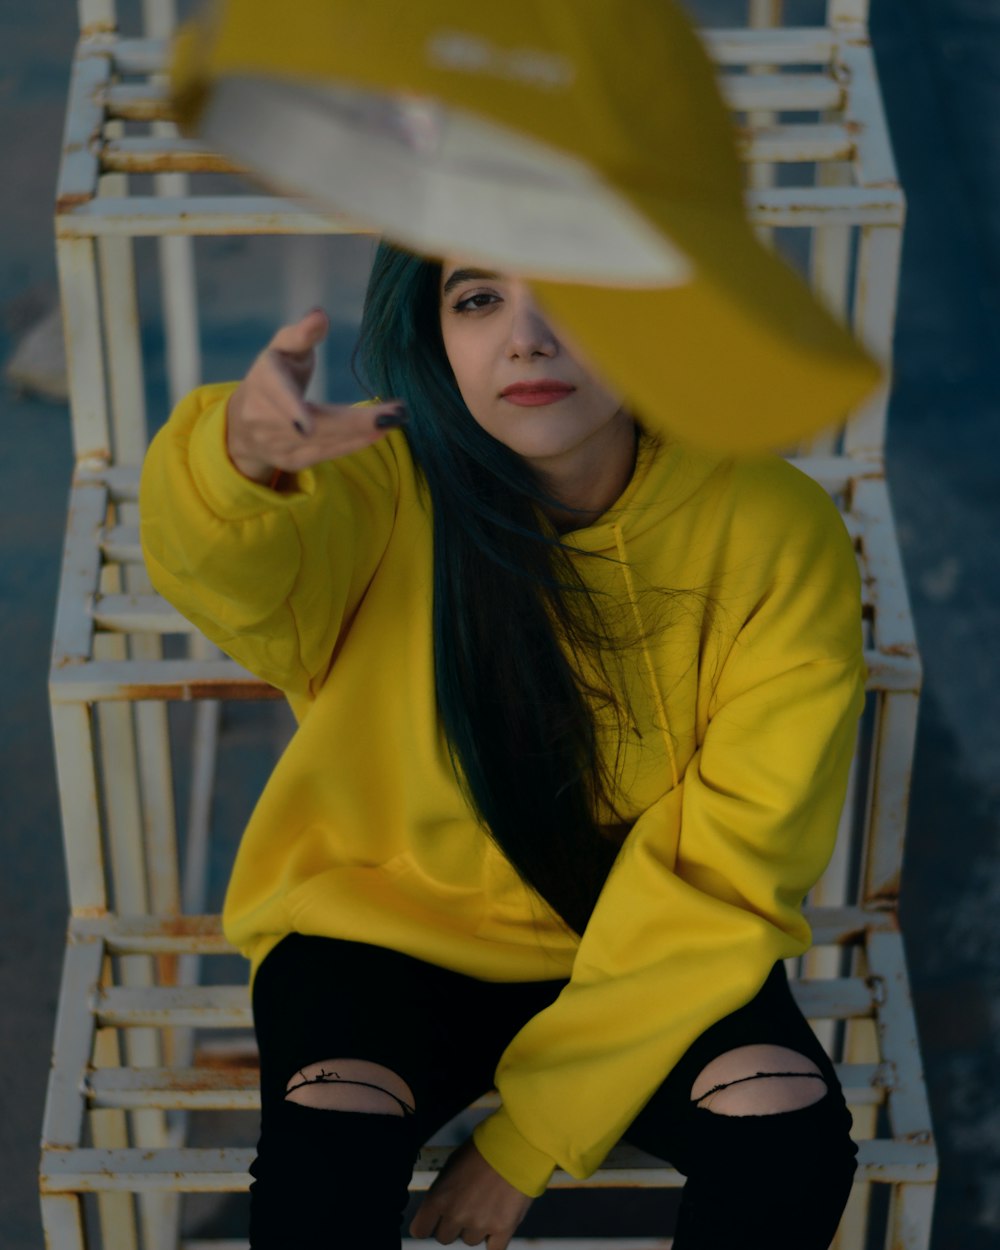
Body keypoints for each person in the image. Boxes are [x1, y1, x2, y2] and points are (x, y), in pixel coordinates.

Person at [139, 241, 866, 1249]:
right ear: (435, 331)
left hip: (641, 944)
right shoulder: (374, 489)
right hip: (383, 928)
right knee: (327, 1145)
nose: (527, 336)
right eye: (478, 298)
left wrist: (525, 1141)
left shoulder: (775, 532)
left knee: (786, 1129)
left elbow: (725, 865)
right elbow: (234, 566)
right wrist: (239, 462)